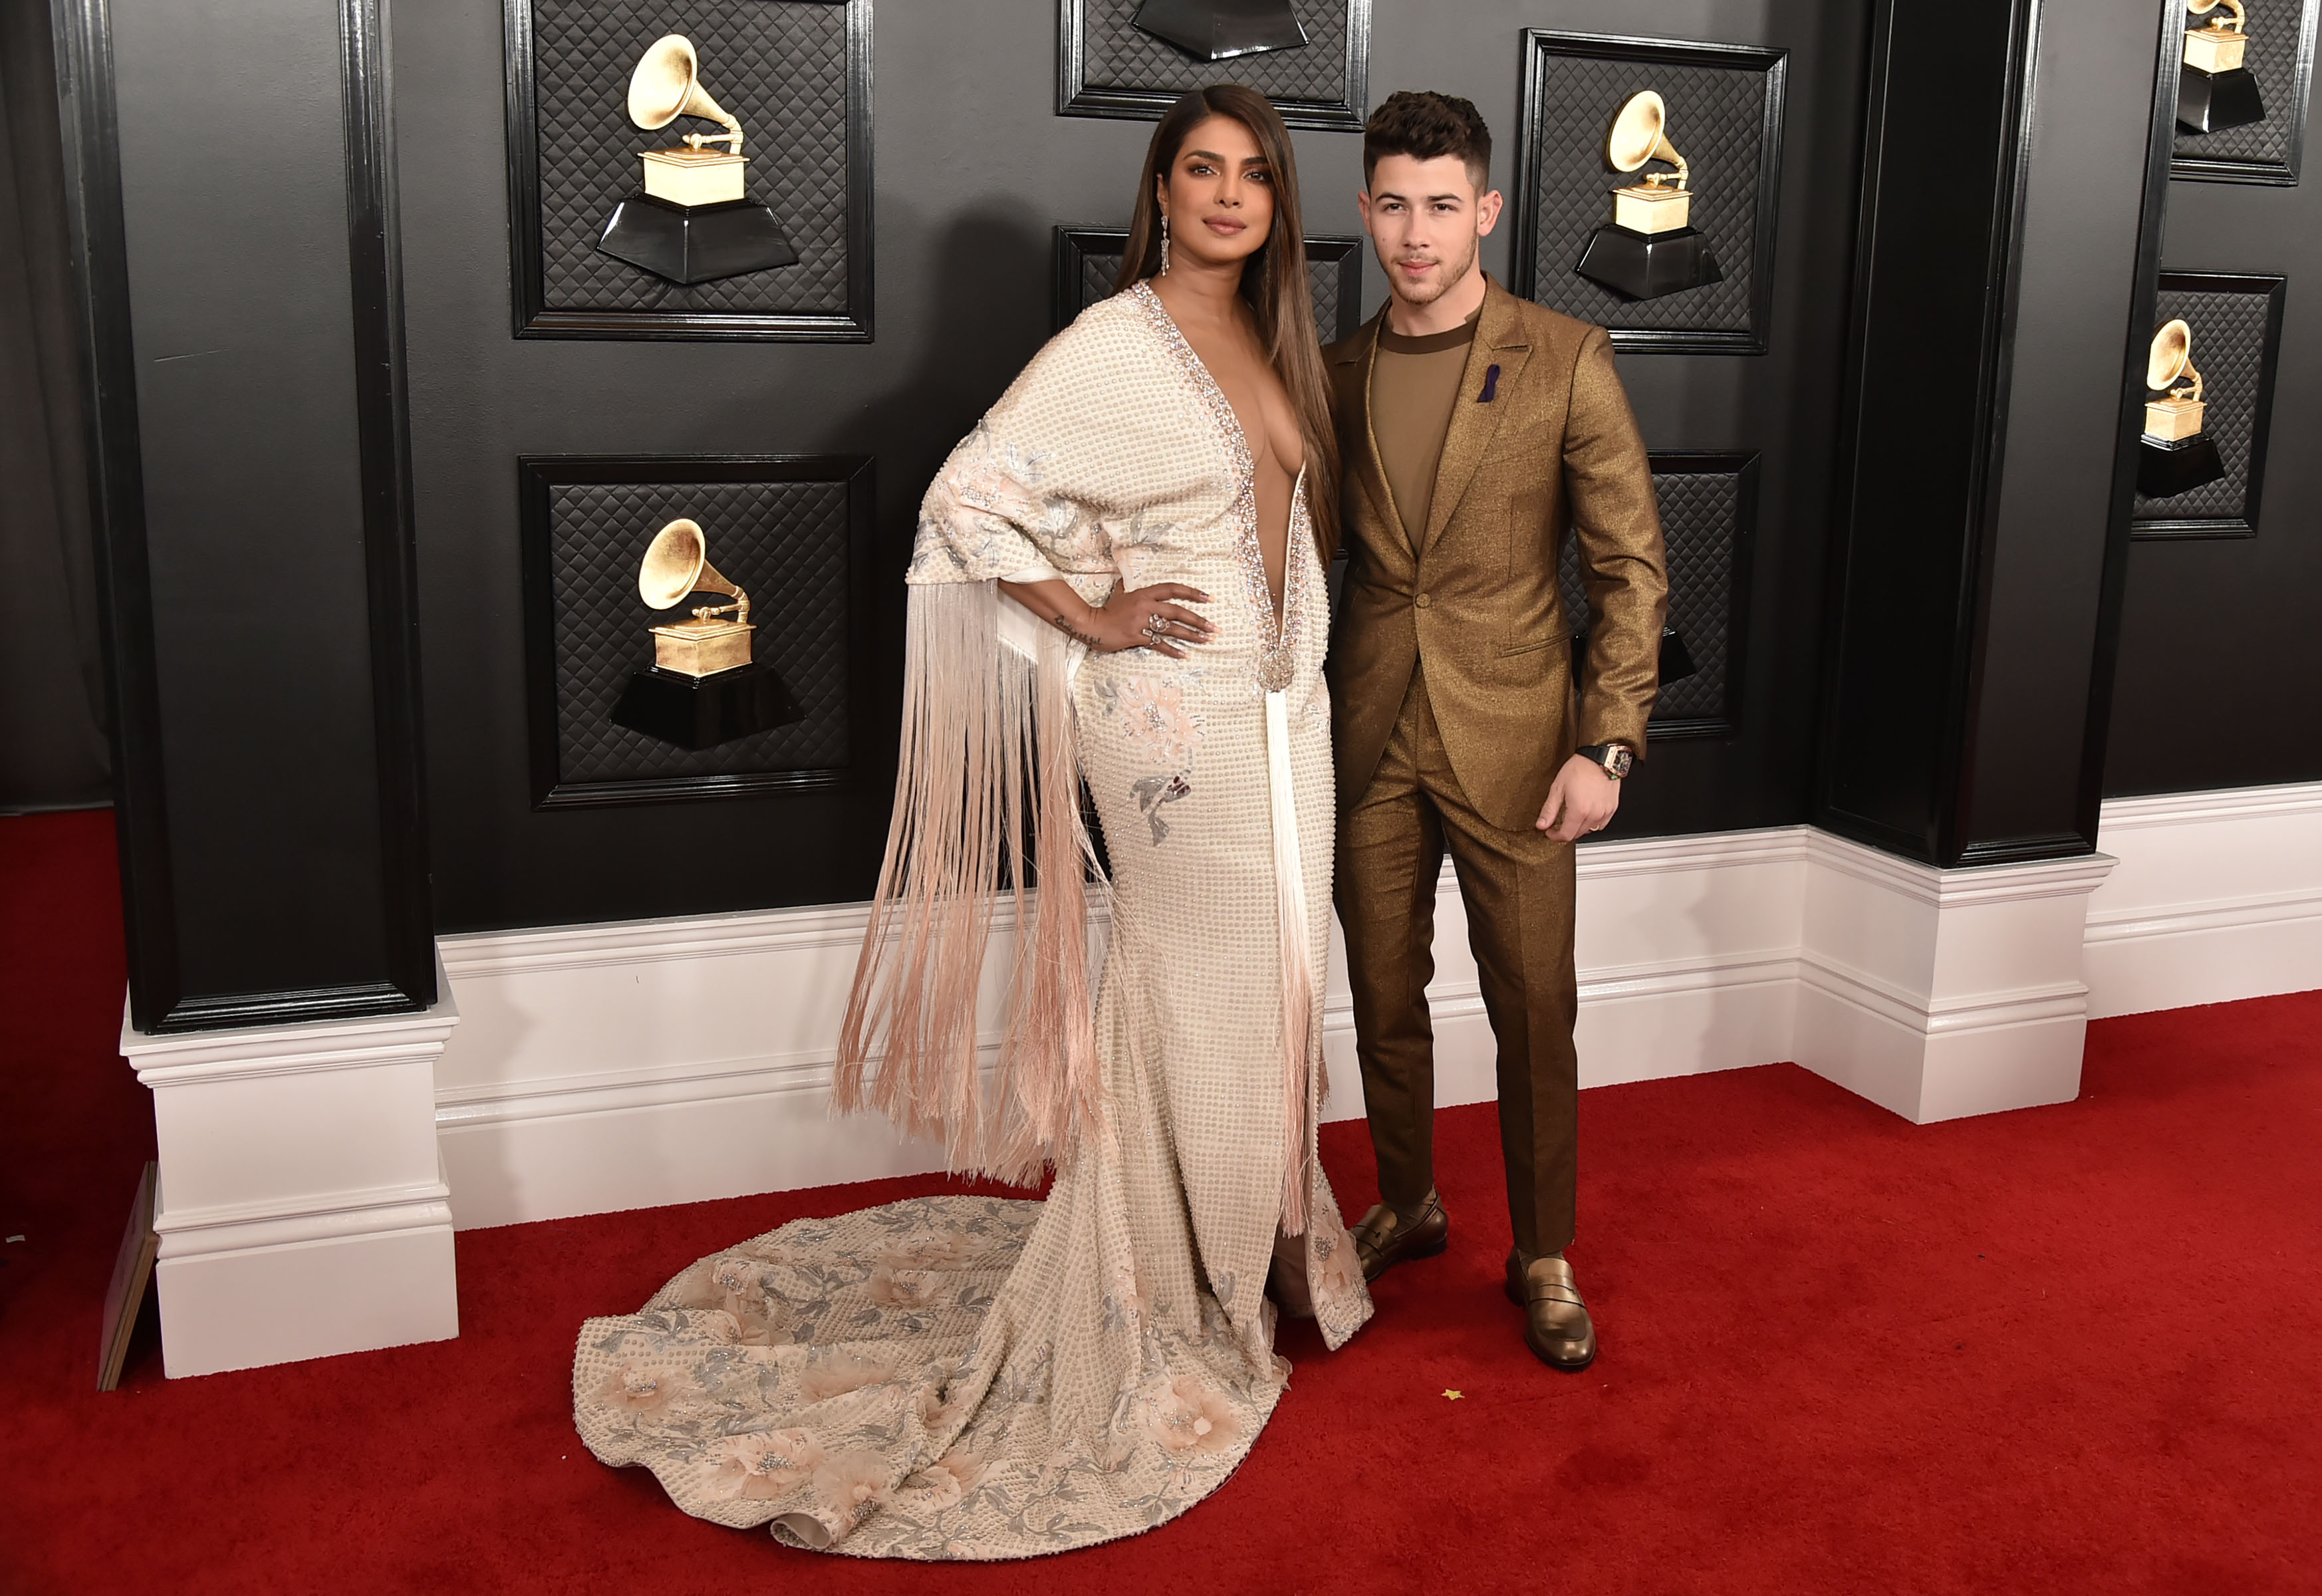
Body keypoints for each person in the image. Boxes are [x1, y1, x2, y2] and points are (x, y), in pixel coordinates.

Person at [569, 84, 1369, 1559]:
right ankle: (1161, 1285)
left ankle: (1235, 1249)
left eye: (1254, 174)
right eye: (1201, 169)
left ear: (1278, 203)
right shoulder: (1115, 344)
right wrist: (1094, 612)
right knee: (1195, 988)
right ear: (1162, 190)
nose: (1229, 196)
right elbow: (965, 503)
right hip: (1171, 730)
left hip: (1286, 720)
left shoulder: (1269, 340)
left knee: (1271, 984)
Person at [1325, 92, 1668, 1372]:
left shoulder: (1567, 356)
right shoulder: (1336, 369)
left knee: (1532, 1006)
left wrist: (1609, 743)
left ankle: (1542, 1254)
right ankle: (1408, 1203)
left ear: (1487, 210)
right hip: (1367, 732)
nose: (1418, 234)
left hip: (1525, 742)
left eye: (1442, 206)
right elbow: (1308, 558)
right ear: (1368, 214)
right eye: (1395, 207)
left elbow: (1629, 568)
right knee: (1378, 993)